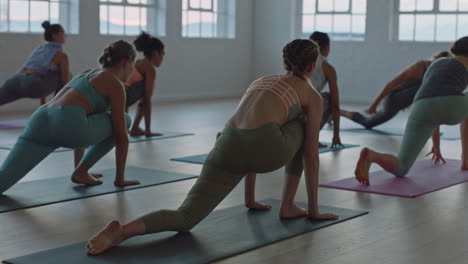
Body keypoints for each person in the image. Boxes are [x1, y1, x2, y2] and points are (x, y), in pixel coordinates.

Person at [86, 39, 339, 255]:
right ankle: (288, 205)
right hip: (265, 149)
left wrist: (250, 198)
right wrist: (314, 210)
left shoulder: (261, 81)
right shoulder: (312, 94)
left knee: (185, 216)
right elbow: (310, 155)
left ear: (285, 63)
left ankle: (122, 232)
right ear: (311, 66)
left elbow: (247, 129)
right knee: (305, 128)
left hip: (226, 144)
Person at [0, 40, 140, 195]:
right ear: (126, 62)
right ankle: (82, 171)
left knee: (2, 180)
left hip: (40, 120)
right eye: (133, 66)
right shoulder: (115, 84)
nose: (132, 71)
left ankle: (81, 172)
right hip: (67, 123)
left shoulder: (86, 73)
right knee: (124, 120)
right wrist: (120, 178)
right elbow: (121, 136)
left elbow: (75, 111)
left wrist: (80, 171)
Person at [355, 37, 468, 185]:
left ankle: (372, 156)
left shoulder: (436, 64)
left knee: (402, 167)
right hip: (452, 107)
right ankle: (466, 159)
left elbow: (435, 102)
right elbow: (444, 102)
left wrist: (436, 144)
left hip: (421, 106)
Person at [340, 51, 451, 129]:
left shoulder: (435, 75)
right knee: (368, 123)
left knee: (368, 123)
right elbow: (391, 84)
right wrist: (373, 105)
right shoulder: (420, 66)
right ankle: (339, 111)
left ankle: (341, 113)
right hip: (394, 100)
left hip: (401, 103)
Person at [0, 21, 70, 106]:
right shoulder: (61, 56)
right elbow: (65, 81)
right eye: (63, 33)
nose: (65, 36)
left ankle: (50, 107)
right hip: (33, 84)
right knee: (67, 74)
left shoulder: (39, 49)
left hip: (15, 80)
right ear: (55, 36)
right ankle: (57, 108)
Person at [125, 32, 165, 137]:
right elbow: (147, 100)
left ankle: (135, 128)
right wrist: (148, 131)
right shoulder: (149, 69)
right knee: (146, 97)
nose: (163, 58)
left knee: (144, 98)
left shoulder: (138, 62)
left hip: (121, 95)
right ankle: (136, 128)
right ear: (156, 53)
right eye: (162, 54)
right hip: (123, 96)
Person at [309, 31, 342, 147]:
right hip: (304, 110)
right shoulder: (328, 69)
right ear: (327, 47)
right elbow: (336, 104)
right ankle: (311, 138)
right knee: (328, 97)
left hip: (291, 111)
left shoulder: (299, 60)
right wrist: (336, 135)